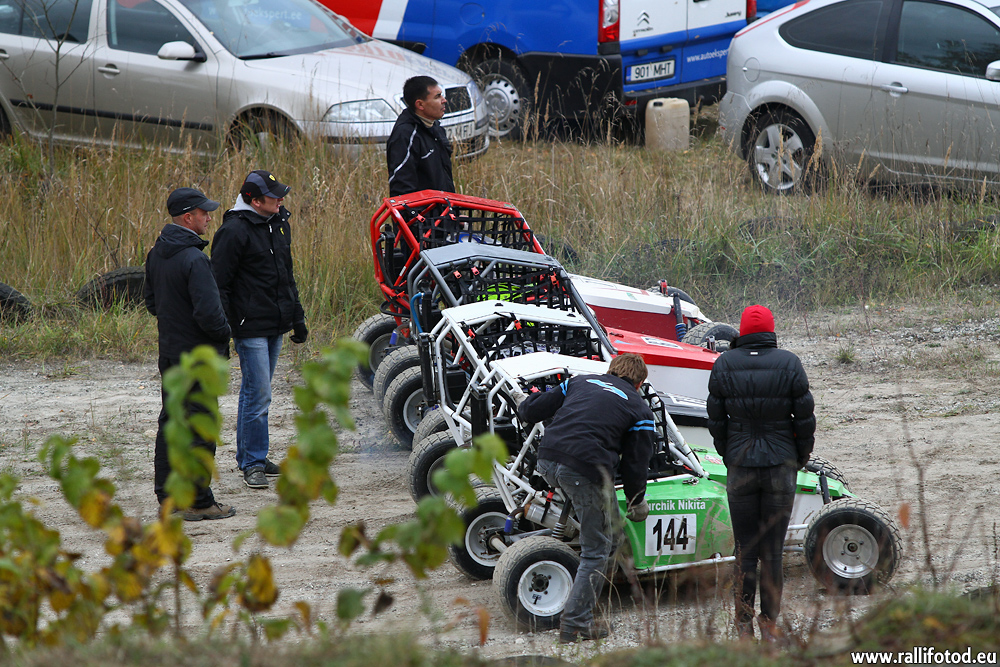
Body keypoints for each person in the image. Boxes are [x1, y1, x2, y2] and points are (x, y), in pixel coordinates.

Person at [516, 353, 655, 644]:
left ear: (610, 370)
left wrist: (522, 401)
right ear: (639, 383)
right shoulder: (640, 409)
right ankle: (575, 625)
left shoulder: (579, 381)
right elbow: (636, 463)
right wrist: (637, 500)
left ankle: (590, 601)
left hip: (548, 460)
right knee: (597, 549)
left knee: (611, 535)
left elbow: (531, 410)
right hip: (584, 470)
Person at [706, 304, 815, 642]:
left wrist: (728, 454)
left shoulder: (724, 364)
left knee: (745, 550)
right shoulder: (789, 363)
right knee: (772, 553)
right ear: (770, 330)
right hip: (780, 465)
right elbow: (805, 419)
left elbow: (716, 420)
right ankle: (769, 625)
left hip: (741, 464)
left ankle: (743, 626)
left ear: (742, 331)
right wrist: (799, 457)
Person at [211, 170, 308, 490]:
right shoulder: (233, 231)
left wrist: (297, 317)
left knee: (256, 391)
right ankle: (252, 462)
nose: (281, 199)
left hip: (275, 323)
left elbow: (286, 275)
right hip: (248, 326)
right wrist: (224, 330)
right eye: (274, 195)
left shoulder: (279, 223)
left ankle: (253, 456)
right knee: (259, 393)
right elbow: (219, 285)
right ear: (254, 201)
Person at [144, 187, 236, 521]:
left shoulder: (157, 253)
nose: (209, 218)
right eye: (204, 213)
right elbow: (209, 315)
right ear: (188, 217)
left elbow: (151, 302)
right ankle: (199, 501)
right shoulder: (195, 259)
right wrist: (225, 333)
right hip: (198, 359)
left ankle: (169, 499)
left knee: (171, 424)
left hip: (170, 354)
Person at [386, 75, 455, 196]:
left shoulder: (436, 128)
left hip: (446, 206)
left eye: (442, 95)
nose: (444, 100)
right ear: (420, 105)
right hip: (424, 208)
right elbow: (401, 190)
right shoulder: (405, 135)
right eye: (437, 96)